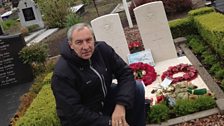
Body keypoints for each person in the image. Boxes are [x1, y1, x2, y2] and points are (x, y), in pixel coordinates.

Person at [51, 23, 145, 126]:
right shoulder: (62, 73)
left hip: (105, 103)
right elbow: (74, 113)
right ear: (71, 45)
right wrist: (110, 122)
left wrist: (121, 104)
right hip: (82, 119)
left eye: (88, 40)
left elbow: (125, 73)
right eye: (79, 42)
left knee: (137, 88)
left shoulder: (102, 50)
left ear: (93, 39)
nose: (86, 47)